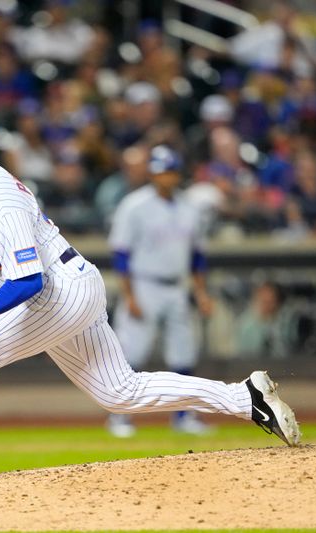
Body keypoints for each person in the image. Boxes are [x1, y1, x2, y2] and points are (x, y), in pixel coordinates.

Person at [0, 41, 301, 489]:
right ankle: (244, 398)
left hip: (56, 291)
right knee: (118, 392)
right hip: (68, 287)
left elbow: (28, 280)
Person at [105, 145, 215, 438]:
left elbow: (197, 257)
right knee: (132, 354)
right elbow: (121, 255)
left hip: (177, 287)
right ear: (152, 174)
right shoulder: (134, 205)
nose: (164, 177)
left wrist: (202, 294)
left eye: (169, 172)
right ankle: (120, 417)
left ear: (177, 174)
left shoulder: (189, 208)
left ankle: (183, 416)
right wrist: (129, 296)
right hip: (144, 284)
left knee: (183, 354)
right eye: (159, 172)